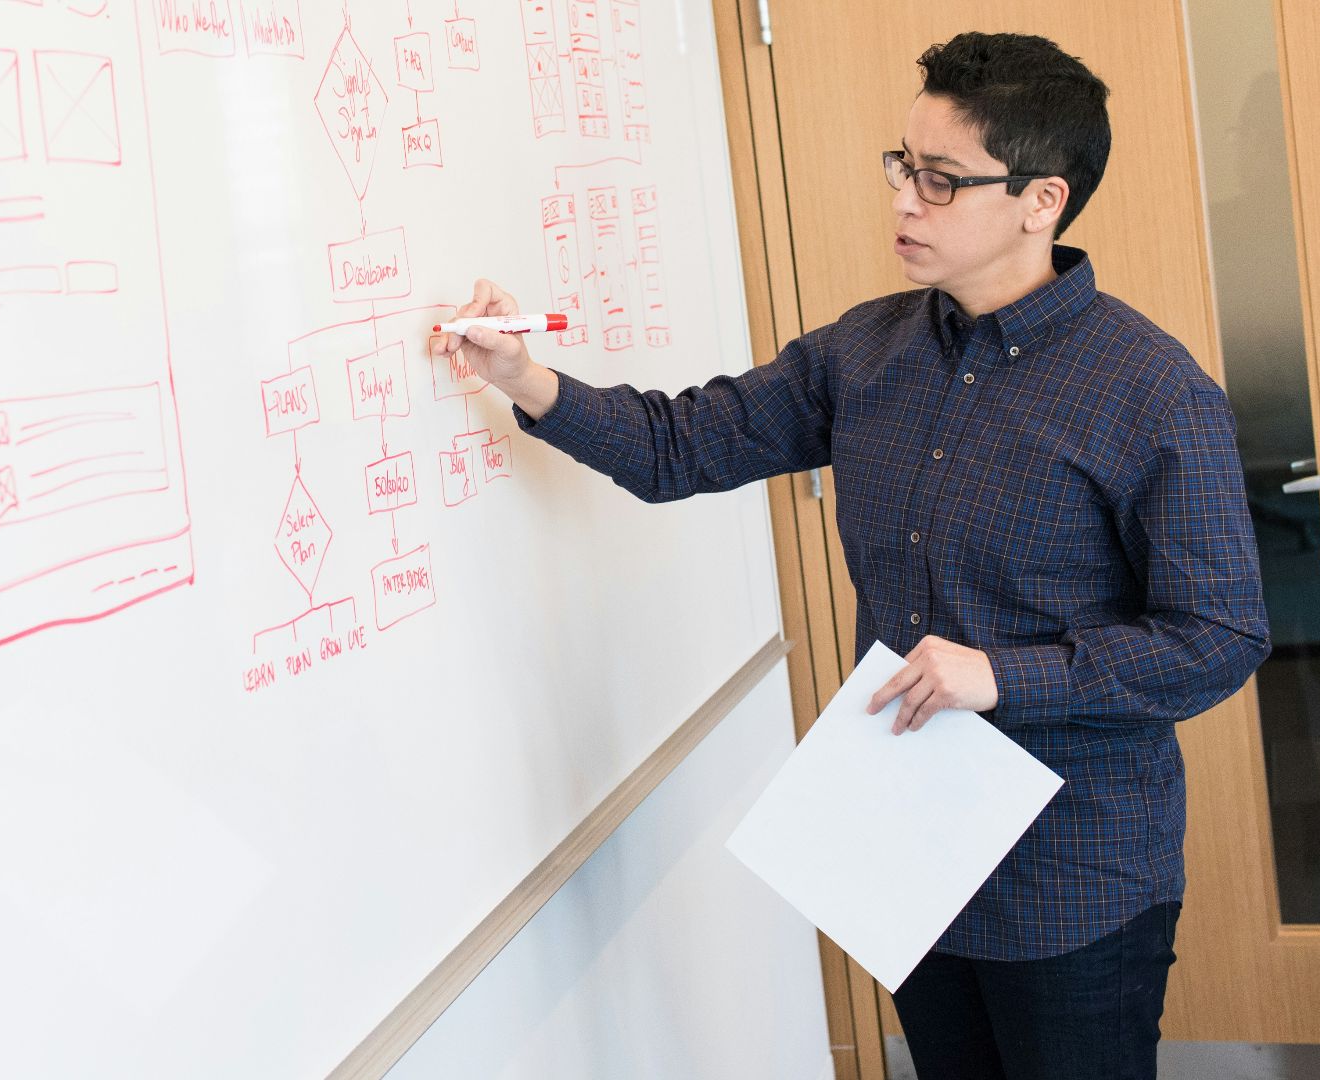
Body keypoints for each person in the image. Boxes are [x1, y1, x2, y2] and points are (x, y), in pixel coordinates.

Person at [430, 31, 1269, 1080]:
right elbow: (678, 445)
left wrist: (1004, 675)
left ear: (1041, 201)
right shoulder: (866, 352)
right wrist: (524, 376)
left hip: (1075, 875)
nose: (905, 203)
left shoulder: (1150, 392)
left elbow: (1219, 639)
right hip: (909, 854)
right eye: (901, 167)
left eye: (941, 181)